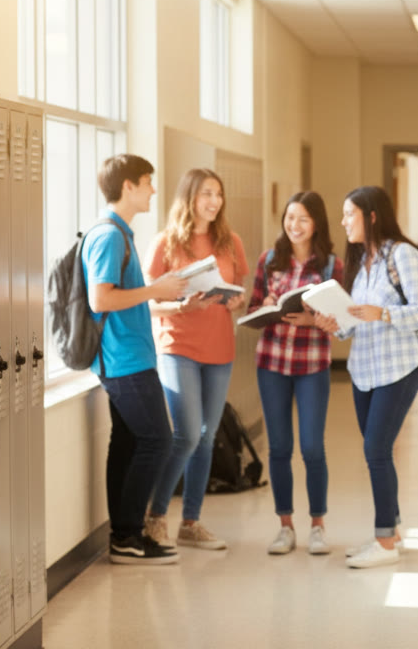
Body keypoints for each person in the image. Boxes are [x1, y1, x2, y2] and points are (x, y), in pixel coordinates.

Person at [312, 186, 418, 568]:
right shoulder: (362, 261)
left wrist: (382, 314)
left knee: (376, 451)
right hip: (364, 369)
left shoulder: (403, 255)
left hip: (399, 367)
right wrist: (334, 324)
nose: (344, 221)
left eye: (350, 214)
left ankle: (384, 544)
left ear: (373, 216)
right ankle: (392, 532)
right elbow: (354, 322)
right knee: (377, 452)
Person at [83, 154, 188, 564]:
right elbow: (101, 297)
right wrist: (155, 289)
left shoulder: (120, 234)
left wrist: (169, 301)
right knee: (159, 439)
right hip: (122, 361)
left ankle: (124, 536)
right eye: (147, 181)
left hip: (130, 357)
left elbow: (123, 300)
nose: (153, 190)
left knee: (127, 442)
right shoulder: (109, 236)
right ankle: (127, 534)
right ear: (128, 186)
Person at [143, 168, 248, 552]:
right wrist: (179, 306)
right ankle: (155, 517)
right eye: (206, 194)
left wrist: (238, 301)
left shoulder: (230, 241)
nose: (214, 202)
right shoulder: (166, 243)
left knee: (205, 438)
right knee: (187, 433)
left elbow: (241, 294)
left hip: (220, 349)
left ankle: (191, 522)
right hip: (177, 345)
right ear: (189, 197)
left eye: (218, 194)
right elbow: (148, 303)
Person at [247, 192, 343, 555]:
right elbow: (254, 306)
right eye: (290, 218)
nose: (295, 226)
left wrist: (313, 320)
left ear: (316, 223)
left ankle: (318, 525)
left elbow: (340, 320)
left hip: (311, 365)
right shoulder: (269, 260)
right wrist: (267, 307)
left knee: (312, 447)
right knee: (279, 447)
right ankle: (285, 526)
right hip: (271, 363)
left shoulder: (331, 265)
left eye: (303, 219)